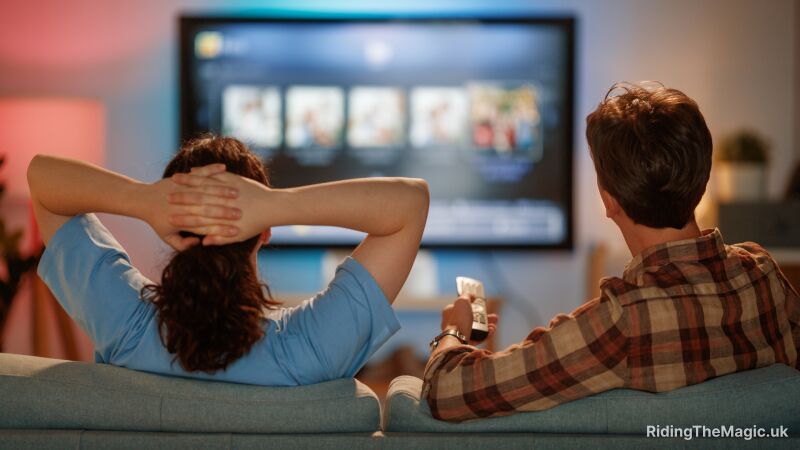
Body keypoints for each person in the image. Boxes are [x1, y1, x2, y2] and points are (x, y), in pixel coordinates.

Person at [423, 82, 800, 422]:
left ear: (609, 201)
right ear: (701, 181)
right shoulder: (762, 272)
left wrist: (452, 331)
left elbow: (446, 392)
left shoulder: (622, 322)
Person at [28, 136, 429, 385]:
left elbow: (41, 177)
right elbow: (410, 203)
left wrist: (142, 199)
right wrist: (276, 204)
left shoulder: (125, 327)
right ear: (265, 232)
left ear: (171, 227)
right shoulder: (309, 348)